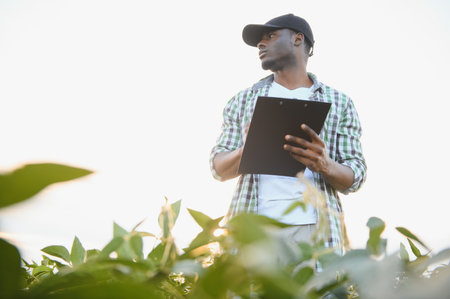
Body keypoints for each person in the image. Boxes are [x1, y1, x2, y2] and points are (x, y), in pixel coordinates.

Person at [209, 14, 367, 253]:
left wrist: (325, 164)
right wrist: (248, 149)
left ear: (297, 38)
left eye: (270, 36)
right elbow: (218, 168)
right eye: (260, 41)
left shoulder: (339, 102)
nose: (261, 44)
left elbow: (355, 175)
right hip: (254, 230)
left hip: (315, 234)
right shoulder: (242, 100)